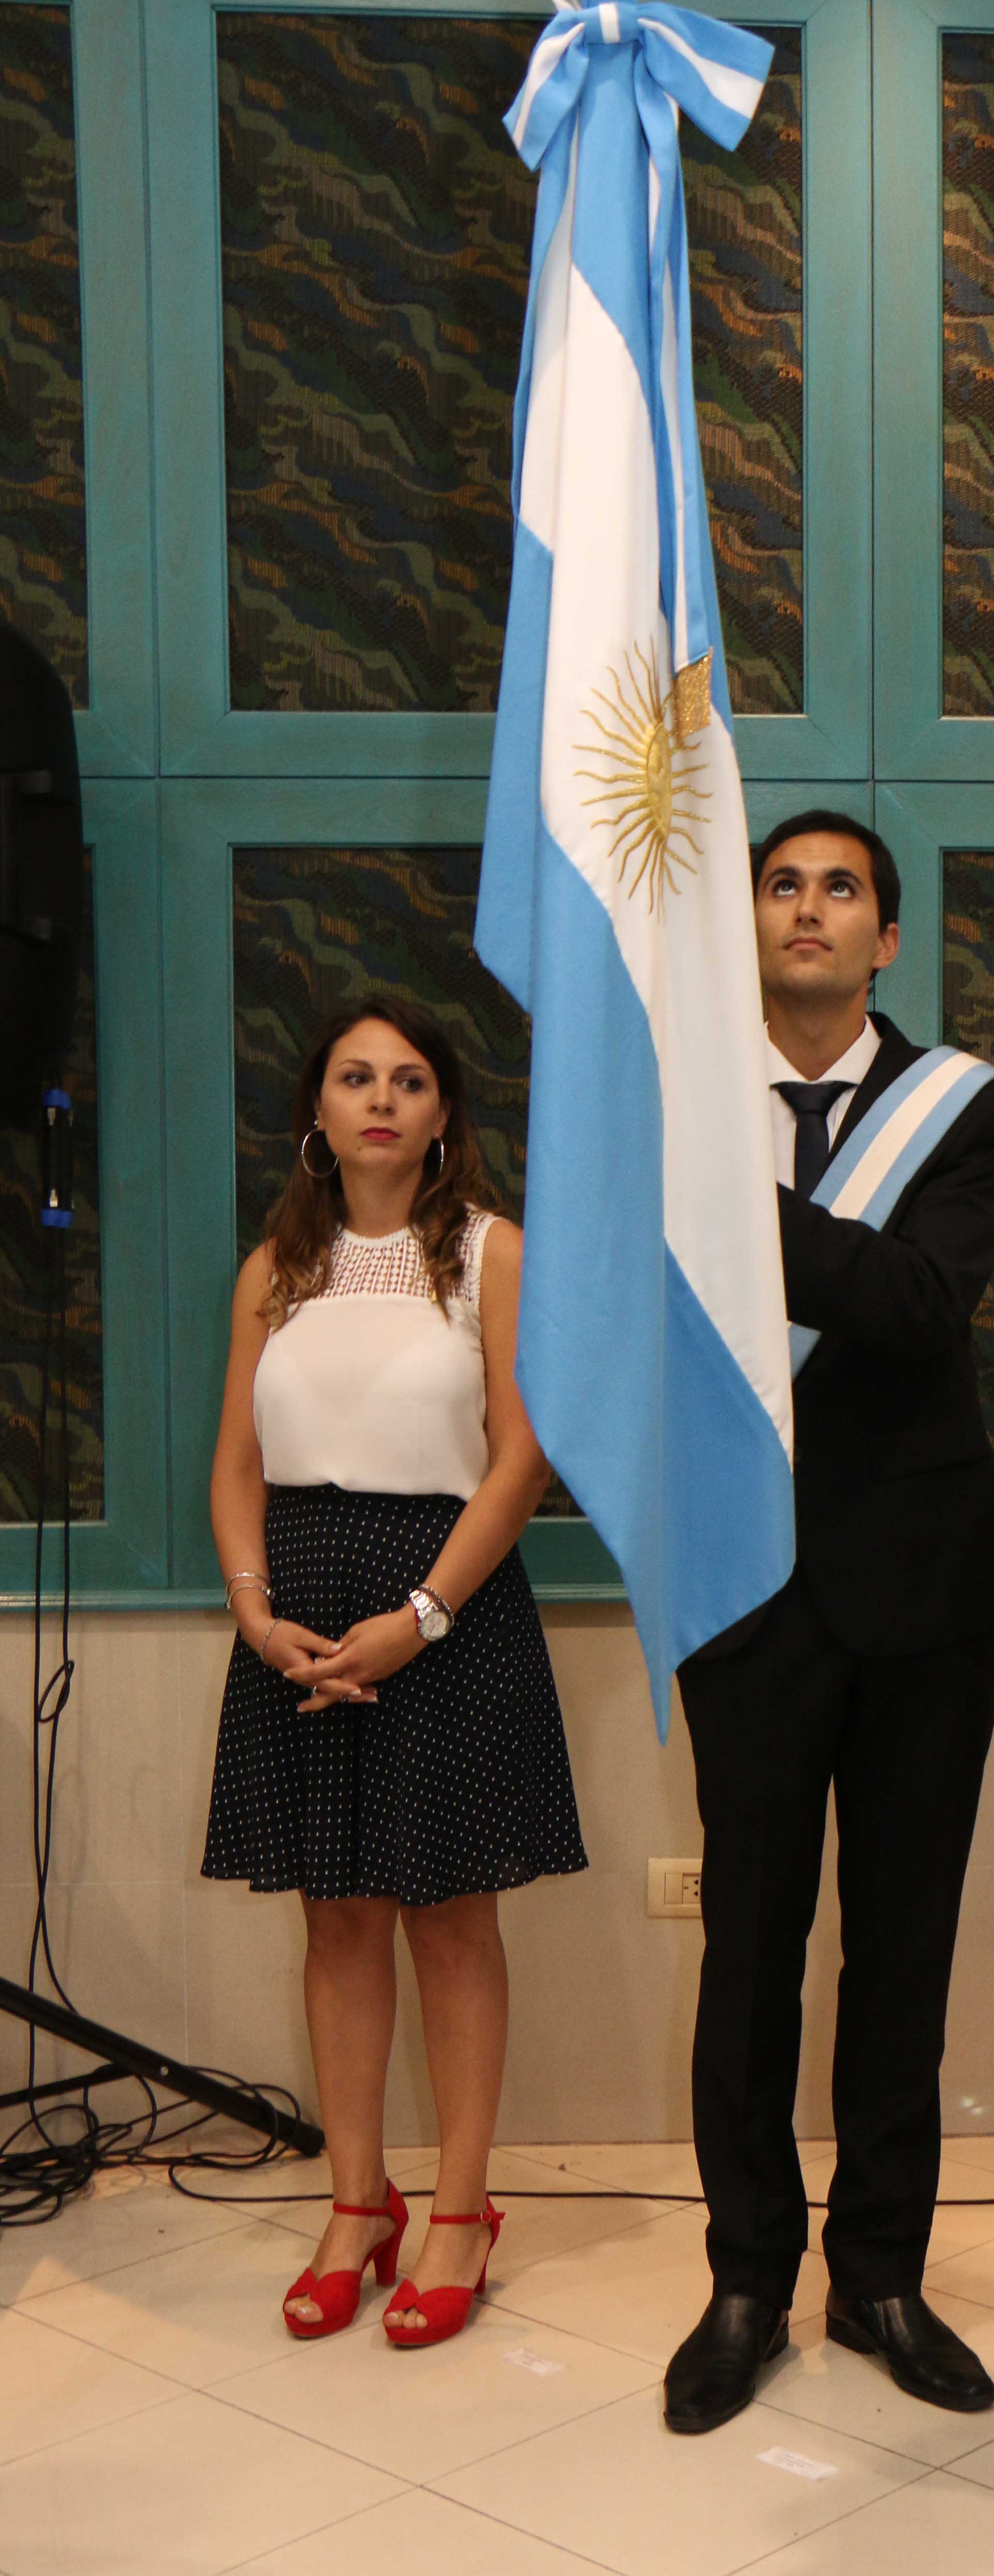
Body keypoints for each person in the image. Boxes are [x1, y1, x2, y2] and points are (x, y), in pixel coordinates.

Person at [663, 808, 994, 2435]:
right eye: (780, 884)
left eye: (841, 890)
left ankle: (882, 2274)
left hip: (929, 1593)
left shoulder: (965, 1105)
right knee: (749, 1952)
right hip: (740, 1583)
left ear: (887, 939)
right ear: (744, 921)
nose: (807, 908)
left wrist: (723, 1207)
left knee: (902, 1952)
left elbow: (918, 1307)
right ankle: (747, 2279)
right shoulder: (674, 1106)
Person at [204, 995, 583, 2348]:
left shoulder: (494, 1253)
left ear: (442, 1115)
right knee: (338, 1919)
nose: (380, 1099)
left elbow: (521, 1462)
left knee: (451, 1921)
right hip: (299, 1615)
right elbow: (236, 1467)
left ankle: (461, 2213)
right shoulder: (273, 1271)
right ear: (318, 1108)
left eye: (409, 1080)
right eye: (355, 1077)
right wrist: (258, 1615)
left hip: (448, 1605)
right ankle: (357, 2208)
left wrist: (419, 1617)